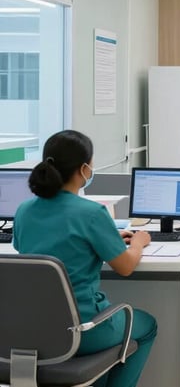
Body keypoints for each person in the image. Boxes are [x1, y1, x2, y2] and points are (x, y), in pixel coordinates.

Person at [13, 130, 156, 387]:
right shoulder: (91, 213)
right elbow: (125, 266)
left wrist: (105, 237)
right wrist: (137, 242)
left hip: (35, 330)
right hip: (84, 329)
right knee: (147, 325)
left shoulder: (24, 211)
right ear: (84, 169)